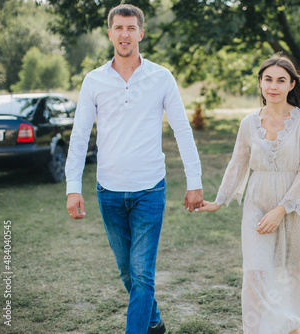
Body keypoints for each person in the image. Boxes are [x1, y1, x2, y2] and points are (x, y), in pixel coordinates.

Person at [65, 4, 203, 334]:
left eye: (131, 28)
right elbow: (81, 134)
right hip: (108, 191)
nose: (124, 34)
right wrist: (73, 186)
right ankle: (154, 321)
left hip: (149, 190)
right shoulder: (94, 80)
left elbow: (182, 129)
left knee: (142, 274)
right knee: (128, 272)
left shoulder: (161, 77)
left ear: (141, 33)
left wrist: (194, 180)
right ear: (110, 33)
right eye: (118, 28)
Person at [198, 55, 300, 333]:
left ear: (291, 85)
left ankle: (291, 328)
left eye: (281, 80)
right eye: (268, 79)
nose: (273, 86)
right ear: (260, 83)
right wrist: (220, 200)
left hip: (294, 207)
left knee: (294, 273)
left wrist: (281, 209)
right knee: (256, 275)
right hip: (257, 205)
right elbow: (238, 163)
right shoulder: (249, 123)